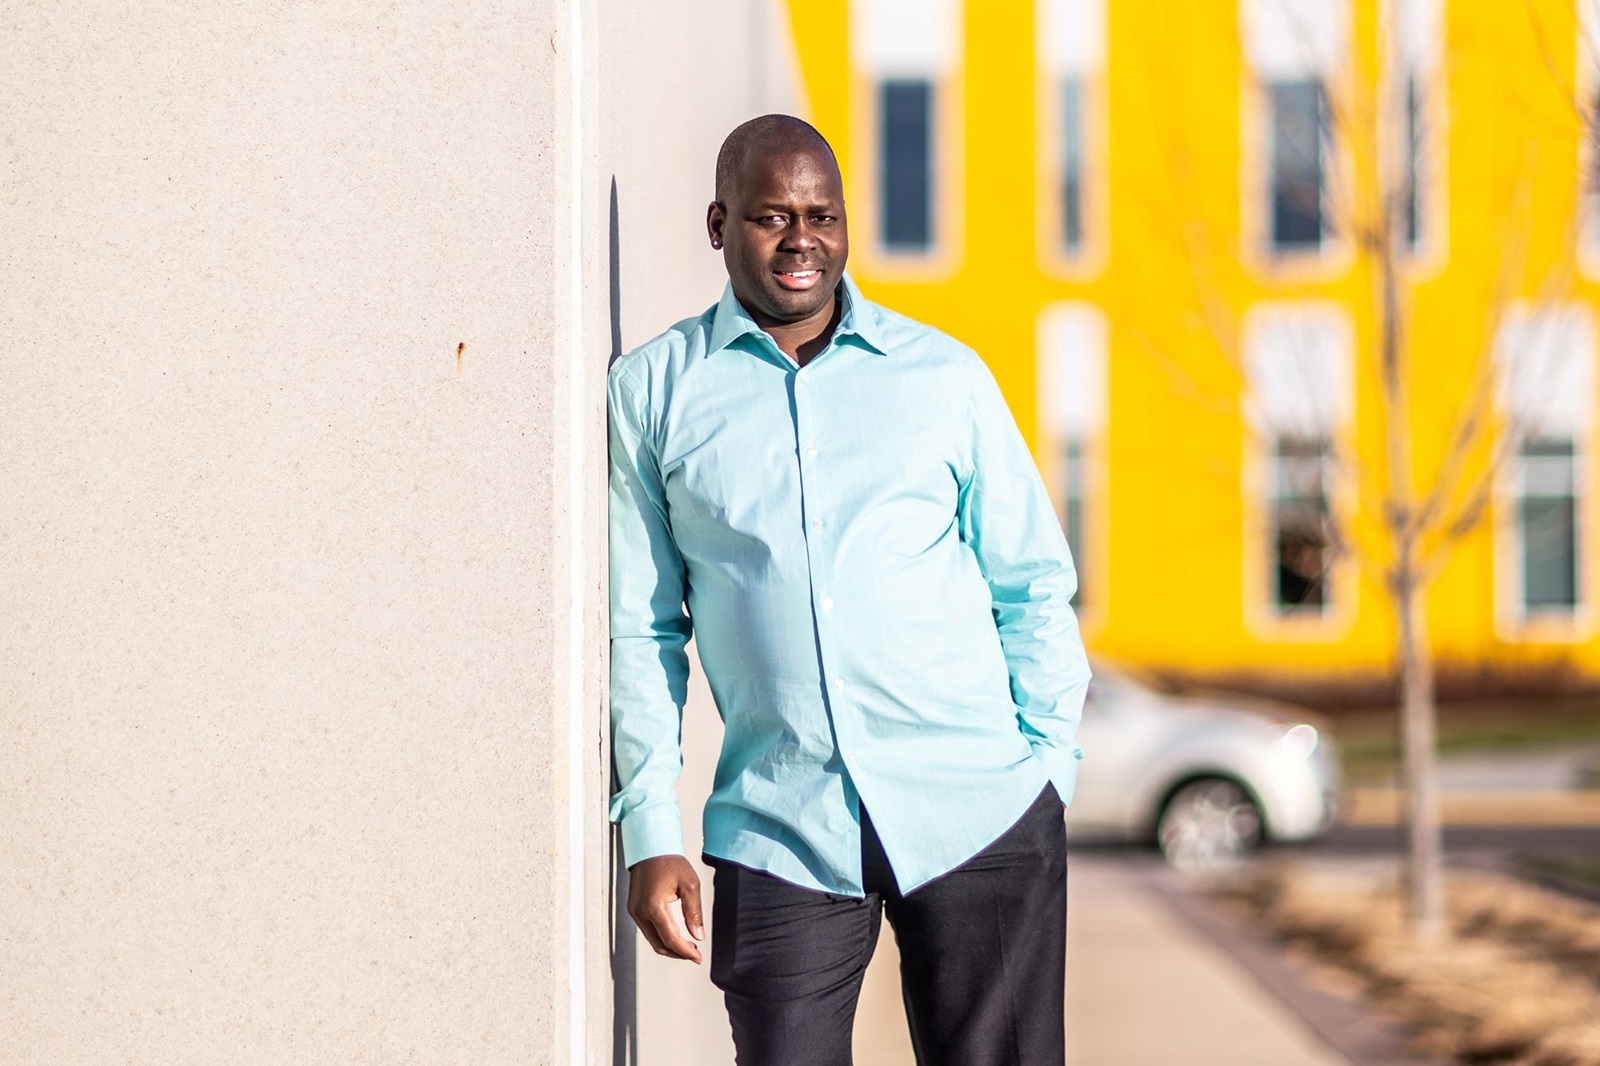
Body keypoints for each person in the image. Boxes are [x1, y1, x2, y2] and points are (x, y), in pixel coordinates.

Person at [606, 113, 1092, 1066]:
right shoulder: (653, 393)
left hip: (980, 810)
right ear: (719, 224)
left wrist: (1047, 769)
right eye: (772, 216)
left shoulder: (943, 378)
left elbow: (1033, 582)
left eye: (822, 215)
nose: (802, 241)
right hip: (780, 827)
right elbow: (642, 625)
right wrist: (649, 827)